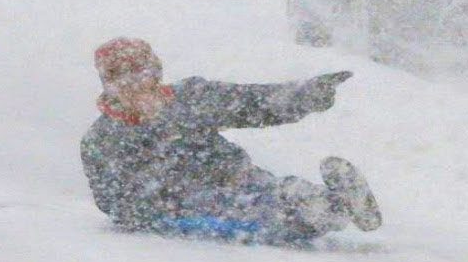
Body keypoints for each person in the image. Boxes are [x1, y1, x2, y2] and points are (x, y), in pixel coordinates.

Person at [80, 37, 381, 245]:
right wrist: (162, 188)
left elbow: (252, 103)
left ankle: (332, 203)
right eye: (120, 76)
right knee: (253, 208)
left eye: (139, 71)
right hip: (186, 204)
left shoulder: (190, 98)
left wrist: (304, 96)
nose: (132, 82)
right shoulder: (103, 139)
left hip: (235, 175)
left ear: (155, 73)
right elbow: (113, 201)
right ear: (108, 84)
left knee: (272, 188)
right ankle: (317, 211)